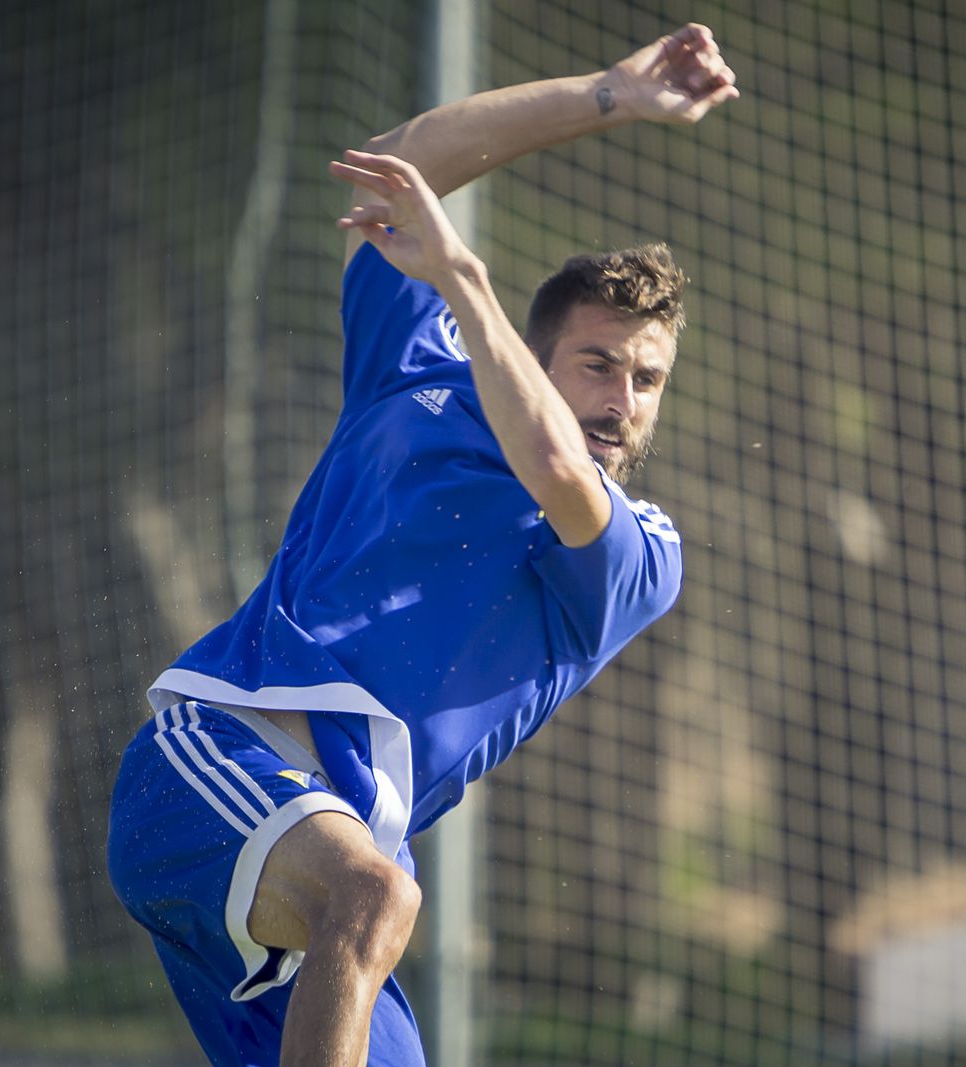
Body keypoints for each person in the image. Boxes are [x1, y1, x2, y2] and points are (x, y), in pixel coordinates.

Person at [107, 24, 737, 1066]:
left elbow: (556, 468)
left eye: (647, 379)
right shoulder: (419, 364)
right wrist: (608, 94)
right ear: (532, 357)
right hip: (219, 760)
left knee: (371, 906)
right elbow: (397, 162)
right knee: (374, 891)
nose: (622, 400)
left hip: (332, 891)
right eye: (595, 365)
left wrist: (466, 273)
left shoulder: (638, 554)